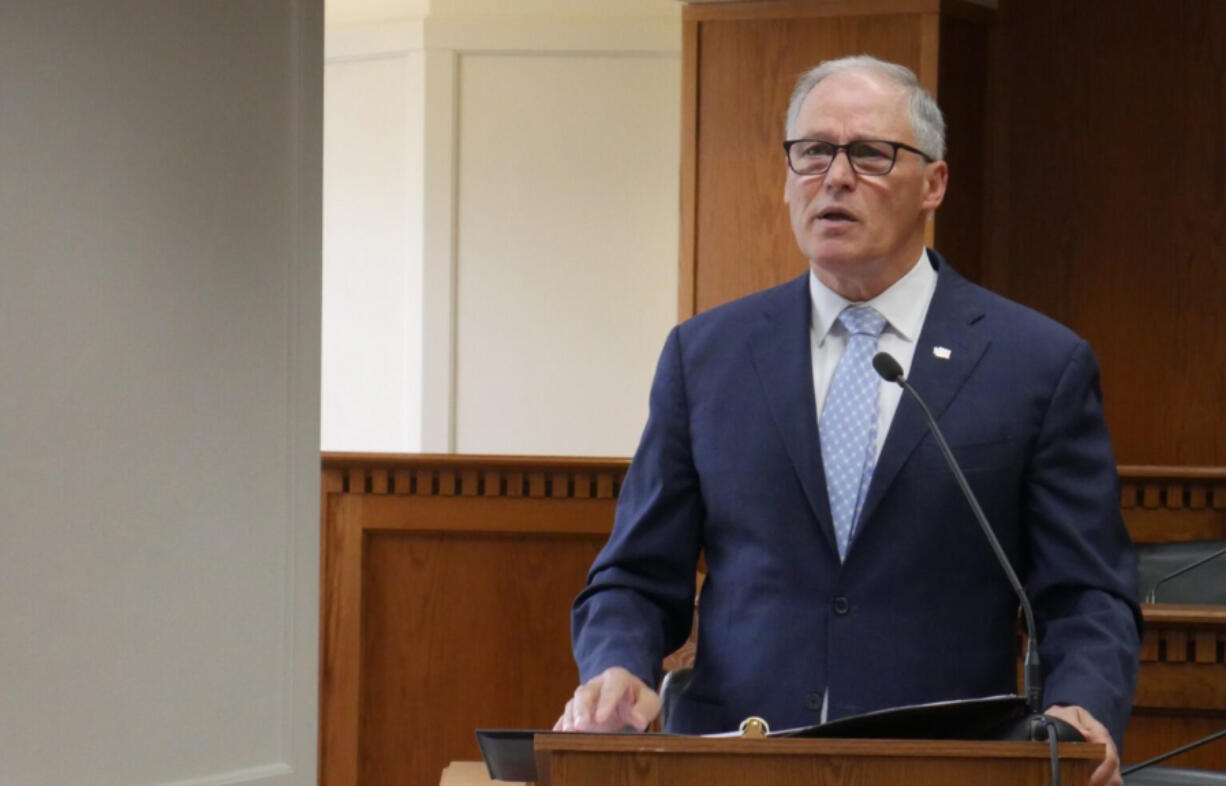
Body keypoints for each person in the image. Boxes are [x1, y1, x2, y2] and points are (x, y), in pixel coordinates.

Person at [554, 55, 1141, 786]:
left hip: (947, 765)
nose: (835, 177)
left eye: (869, 154)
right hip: (737, 759)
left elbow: (1085, 591)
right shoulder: (706, 356)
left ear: (934, 183)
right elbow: (637, 575)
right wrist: (615, 665)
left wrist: (1083, 704)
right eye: (813, 153)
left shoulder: (1036, 364)